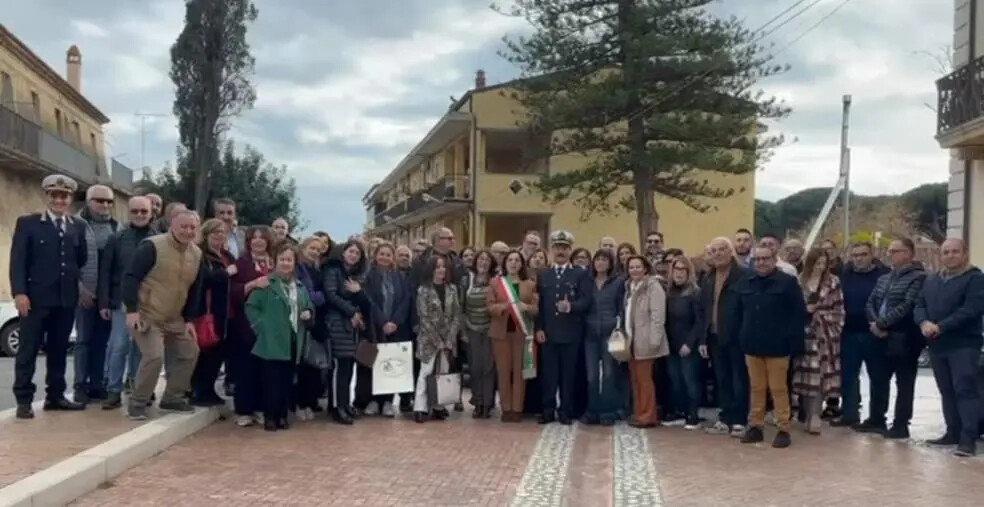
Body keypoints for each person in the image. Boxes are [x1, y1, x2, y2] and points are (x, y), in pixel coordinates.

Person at [10, 175, 88, 419]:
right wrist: (20, 292)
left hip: (65, 300)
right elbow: (18, 262)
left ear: (70, 199)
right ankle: (24, 400)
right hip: (35, 299)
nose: (59, 200)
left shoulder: (77, 225)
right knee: (28, 350)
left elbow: (80, 259)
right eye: (54, 195)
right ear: (47, 196)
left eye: (63, 196)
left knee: (58, 350)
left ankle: (55, 396)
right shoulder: (29, 223)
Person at [122, 210, 205, 420]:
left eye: (192, 227)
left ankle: (172, 398)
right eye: (183, 226)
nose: (188, 231)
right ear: (172, 226)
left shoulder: (196, 254)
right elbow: (131, 278)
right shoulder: (152, 246)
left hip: (175, 318)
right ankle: (138, 402)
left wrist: (189, 320)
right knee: (154, 356)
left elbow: (195, 289)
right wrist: (132, 311)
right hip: (147, 315)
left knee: (190, 352)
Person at [914, 238, 984, 457]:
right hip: (937, 345)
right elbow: (919, 304)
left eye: (955, 252)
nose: (950, 256)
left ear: (964, 254)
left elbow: (971, 309)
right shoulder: (932, 280)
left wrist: (941, 326)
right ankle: (952, 432)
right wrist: (923, 322)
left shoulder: (975, 279)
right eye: (946, 252)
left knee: (965, 390)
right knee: (947, 391)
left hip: (964, 344)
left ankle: (968, 439)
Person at [737, 245, 807, 449]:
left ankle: (783, 428)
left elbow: (798, 314)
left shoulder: (787, 283)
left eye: (765, 259)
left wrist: (793, 341)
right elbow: (740, 312)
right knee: (756, 388)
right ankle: (756, 426)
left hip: (778, 344)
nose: (761, 263)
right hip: (752, 343)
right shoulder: (746, 282)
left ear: (774, 259)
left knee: (778, 388)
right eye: (757, 259)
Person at [860, 238, 926, 439]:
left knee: (904, 382)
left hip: (904, 337)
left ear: (909, 253)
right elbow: (871, 302)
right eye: (890, 251)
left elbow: (908, 305)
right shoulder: (884, 278)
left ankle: (900, 424)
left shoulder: (919, 277)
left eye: (896, 251)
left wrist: (882, 324)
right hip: (879, 337)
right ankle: (876, 419)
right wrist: (874, 323)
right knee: (878, 379)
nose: (891, 254)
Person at [245, 243, 313, 431]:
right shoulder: (266, 283)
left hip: (292, 339)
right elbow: (251, 306)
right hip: (271, 340)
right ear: (275, 262)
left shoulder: (299, 287)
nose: (285, 263)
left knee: (287, 381)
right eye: (282, 259)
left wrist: (308, 312)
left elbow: (308, 306)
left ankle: (283, 415)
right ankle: (270, 417)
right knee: (270, 381)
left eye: (289, 260)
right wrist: (260, 328)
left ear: (294, 263)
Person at [98, 196, 155, 410]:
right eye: (135, 211)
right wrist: (104, 302)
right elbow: (106, 272)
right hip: (121, 301)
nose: (140, 215)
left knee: (142, 348)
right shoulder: (117, 238)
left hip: (149, 302)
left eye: (144, 211)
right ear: (129, 213)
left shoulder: (158, 239)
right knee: (119, 346)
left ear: (151, 213)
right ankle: (113, 390)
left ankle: (139, 389)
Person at [535, 230, 592, 425]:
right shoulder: (545, 275)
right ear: (552, 249)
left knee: (568, 375)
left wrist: (572, 306)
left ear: (570, 251)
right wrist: (539, 328)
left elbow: (587, 301)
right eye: (558, 247)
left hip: (571, 333)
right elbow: (540, 305)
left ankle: (566, 410)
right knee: (549, 375)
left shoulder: (580, 274)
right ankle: (547, 409)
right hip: (549, 333)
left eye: (565, 248)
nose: (561, 251)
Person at [73, 184, 121, 404]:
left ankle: (96, 384)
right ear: (88, 201)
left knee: (103, 342)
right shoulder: (75, 225)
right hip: (84, 294)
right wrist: (80, 289)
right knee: (83, 341)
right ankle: (80, 386)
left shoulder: (117, 228)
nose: (104, 205)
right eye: (99, 200)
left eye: (109, 201)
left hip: (107, 297)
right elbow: (68, 261)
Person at [832, 242, 889, 427]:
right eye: (855, 255)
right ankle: (850, 414)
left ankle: (877, 418)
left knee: (878, 377)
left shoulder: (883, 276)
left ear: (871, 255)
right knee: (848, 376)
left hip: (874, 333)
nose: (859, 258)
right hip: (848, 333)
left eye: (863, 254)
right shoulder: (845, 276)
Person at [792, 248, 845, 435]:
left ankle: (815, 415)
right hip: (804, 335)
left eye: (824, 263)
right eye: (817, 263)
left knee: (821, 375)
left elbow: (839, 310)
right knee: (805, 375)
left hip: (825, 335)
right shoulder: (799, 282)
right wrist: (805, 311)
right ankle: (806, 414)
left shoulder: (833, 282)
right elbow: (791, 309)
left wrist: (821, 317)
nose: (820, 267)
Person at [700, 237, 748, 437]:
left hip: (737, 336)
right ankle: (725, 417)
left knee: (739, 378)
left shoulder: (743, 276)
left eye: (722, 250)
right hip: (714, 335)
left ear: (731, 252)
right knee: (722, 378)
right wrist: (702, 339)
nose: (718, 254)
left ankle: (739, 420)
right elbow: (704, 309)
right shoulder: (708, 277)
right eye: (714, 250)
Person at [229, 226, 276, 427]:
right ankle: (244, 410)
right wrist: (253, 284)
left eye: (261, 238)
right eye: (254, 238)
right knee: (246, 367)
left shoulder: (275, 262)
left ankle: (261, 408)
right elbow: (233, 290)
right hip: (246, 323)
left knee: (266, 368)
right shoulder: (241, 263)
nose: (258, 241)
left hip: (271, 324)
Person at [359, 243, 412, 418]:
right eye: (381, 254)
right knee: (369, 364)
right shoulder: (368, 276)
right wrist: (382, 321)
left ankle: (388, 401)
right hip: (372, 329)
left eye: (388, 254)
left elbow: (405, 300)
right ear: (375, 256)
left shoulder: (400, 277)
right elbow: (368, 301)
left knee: (391, 365)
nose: (384, 257)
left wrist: (395, 322)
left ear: (393, 258)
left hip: (395, 329)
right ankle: (371, 401)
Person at [188, 219, 236, 407]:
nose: (219, 235)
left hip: (227, 310)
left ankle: (209, 389)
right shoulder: (200, 254)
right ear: (206, 234)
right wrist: (225, 274)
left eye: (222, 232)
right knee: (206, 351)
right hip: (208, 310)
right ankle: (198, 390)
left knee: (219, 353)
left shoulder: (227, 256)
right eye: (215, 232)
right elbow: (201, 279)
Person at [487, 250, 538, 422]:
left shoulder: (529, 284)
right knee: (503, 372)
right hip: (500, 334)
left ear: (522, 264)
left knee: (519, 372)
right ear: (505, 263)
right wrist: (504, 306)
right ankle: (506, 408)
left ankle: (517, 409)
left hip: (521, 333)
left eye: (517, 260)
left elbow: (536, 308)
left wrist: (527, 308)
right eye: (510, 260)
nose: (514, 263)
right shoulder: (495, 283)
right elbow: (490, 307)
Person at [323, 239, 370, 425]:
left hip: (354, 328)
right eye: (351, 251)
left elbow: (366, 302)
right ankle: (337, 407)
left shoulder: (358, 275)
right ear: (343, 252)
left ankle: (345, 403)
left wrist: (359, 293)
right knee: (339, 368)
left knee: (349, 367)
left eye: (357, 253)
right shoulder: (332, 270)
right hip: (337, 324)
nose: (353, 255)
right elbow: (331, 295)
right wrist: (351, 311)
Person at [413, 256, 462, 423]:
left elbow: (457, 315)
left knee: (443, 371)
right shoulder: (423, 290)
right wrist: (437, 340)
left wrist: (449, 338)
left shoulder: (452, 289)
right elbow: (423, 317)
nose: (441, 270)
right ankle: (420, 407)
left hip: (448, 340)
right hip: (429, 340)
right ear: (431, 269)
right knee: (426, 372)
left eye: (444, 267)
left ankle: (439, 406)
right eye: (438, 267)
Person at [621, 255, 668, 428]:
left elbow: (658, 315)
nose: (634, 270)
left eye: (637, 267)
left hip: (646, 340)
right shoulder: (630, 287)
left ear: (645, 268)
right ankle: (639, 412)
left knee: (645, 379)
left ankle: (648, 415)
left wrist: (654, 340)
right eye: (631, 267)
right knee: (635, 379)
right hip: (631, 340)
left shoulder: (653, 287)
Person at [664, 256, 707, 430]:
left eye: (683, 270)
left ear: (689, 272)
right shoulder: (669, 293)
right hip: (671, 344)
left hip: (688, 344)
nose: (679, 273)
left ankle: (693, 414)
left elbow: (699, 321)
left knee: (690, 380)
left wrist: (689, 343)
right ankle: (679, 411)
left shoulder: (695, 293)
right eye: (676, 269)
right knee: (675, 380)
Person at [583, 248, 625, 425]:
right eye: (597, 259)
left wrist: (620, 328)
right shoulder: (587, 281)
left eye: (604, 259)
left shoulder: (618, 283)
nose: (600, 262)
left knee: (609, 374)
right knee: (591, 375)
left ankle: (608, 411)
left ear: (610, 263)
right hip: (590, 334)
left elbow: (622, 307)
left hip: (610, 334)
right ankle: (592, 411)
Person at [295, 237, 330, 420]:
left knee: (315, 365)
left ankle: (311, 401)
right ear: (303, 248)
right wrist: (320, 296)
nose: (315, 252)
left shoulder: (317, 269)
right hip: (304, 319)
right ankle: (301, 403)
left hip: (318, 321)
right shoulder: (298, 267)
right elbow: (306, 294)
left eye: (318, 249)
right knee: (303, 364)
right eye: (312, 248)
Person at [462, 250, 497, 418]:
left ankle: (487, 403)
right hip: (471, 328)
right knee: (475, 367)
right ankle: (477, 401)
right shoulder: (466, 280)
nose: (483, 262)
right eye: (481, 259)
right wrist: (463, 330)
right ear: (476, 262)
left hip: (490, 329)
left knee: (488, 367)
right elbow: (460, 306)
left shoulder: (495, 281)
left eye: (487, 260)